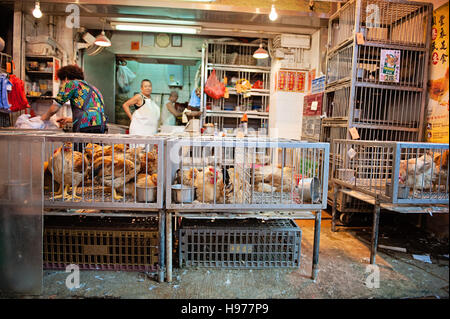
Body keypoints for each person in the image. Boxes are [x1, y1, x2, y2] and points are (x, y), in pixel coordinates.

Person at [41, 64, 108, 135]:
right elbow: (92, 112)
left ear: (66, 78)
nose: (63, 84)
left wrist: (44, 118)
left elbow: (56, 106)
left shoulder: (71, 84)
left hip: (84, 126)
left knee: (81, 146)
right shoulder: (94, 89)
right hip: (101, 126)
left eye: (62, 81)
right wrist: (70, 120)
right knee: (94, 146)